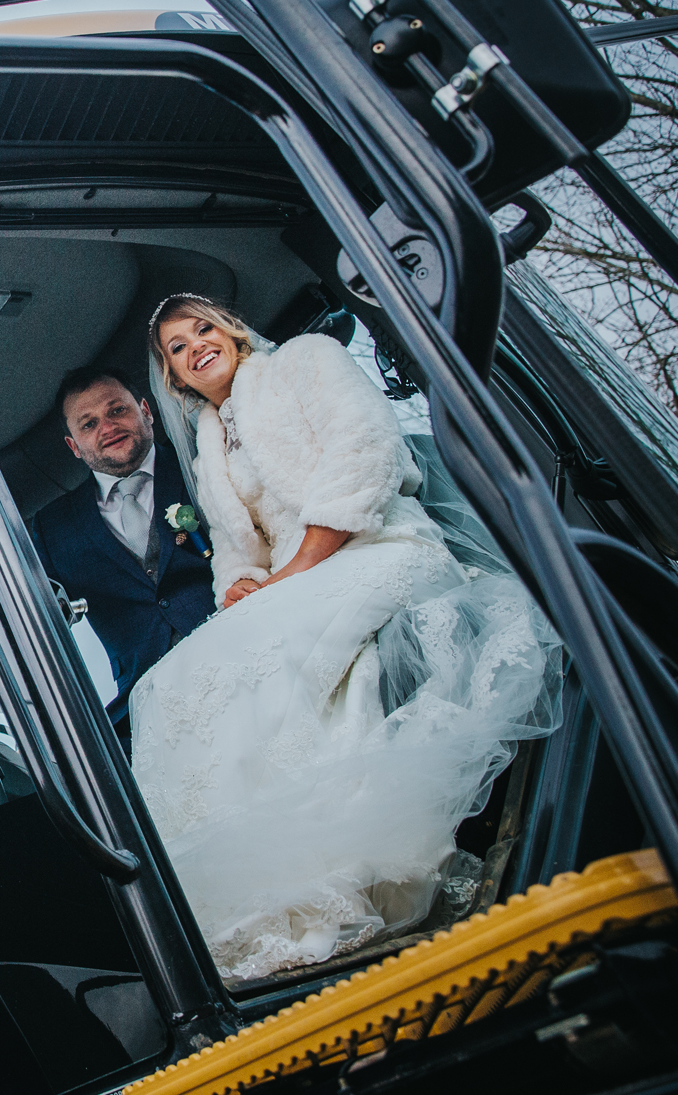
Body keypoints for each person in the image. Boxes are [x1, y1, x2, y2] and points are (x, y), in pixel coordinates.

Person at [129, 294, 561, 982]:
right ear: (176, 378)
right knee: (165, 685)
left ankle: (338, 878)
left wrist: (296, 571)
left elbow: (366, 452)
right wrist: (240, 583)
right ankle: (247, 907)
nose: (194, 348)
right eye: (177, 349)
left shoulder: (307, 360)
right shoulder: (210, 435)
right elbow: (240, 546)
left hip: (379, 543)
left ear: (233, 330)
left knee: (265, 659)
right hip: (293, 580)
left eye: (202, 329)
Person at [29, 368, 217, 740]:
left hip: (244, 649)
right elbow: (37, 621)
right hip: (148, 710)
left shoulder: (200, 463)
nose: (107, 427)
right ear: (74, 446)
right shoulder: (51, 528)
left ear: (146, 411)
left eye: (117, 411)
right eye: (88, 424)